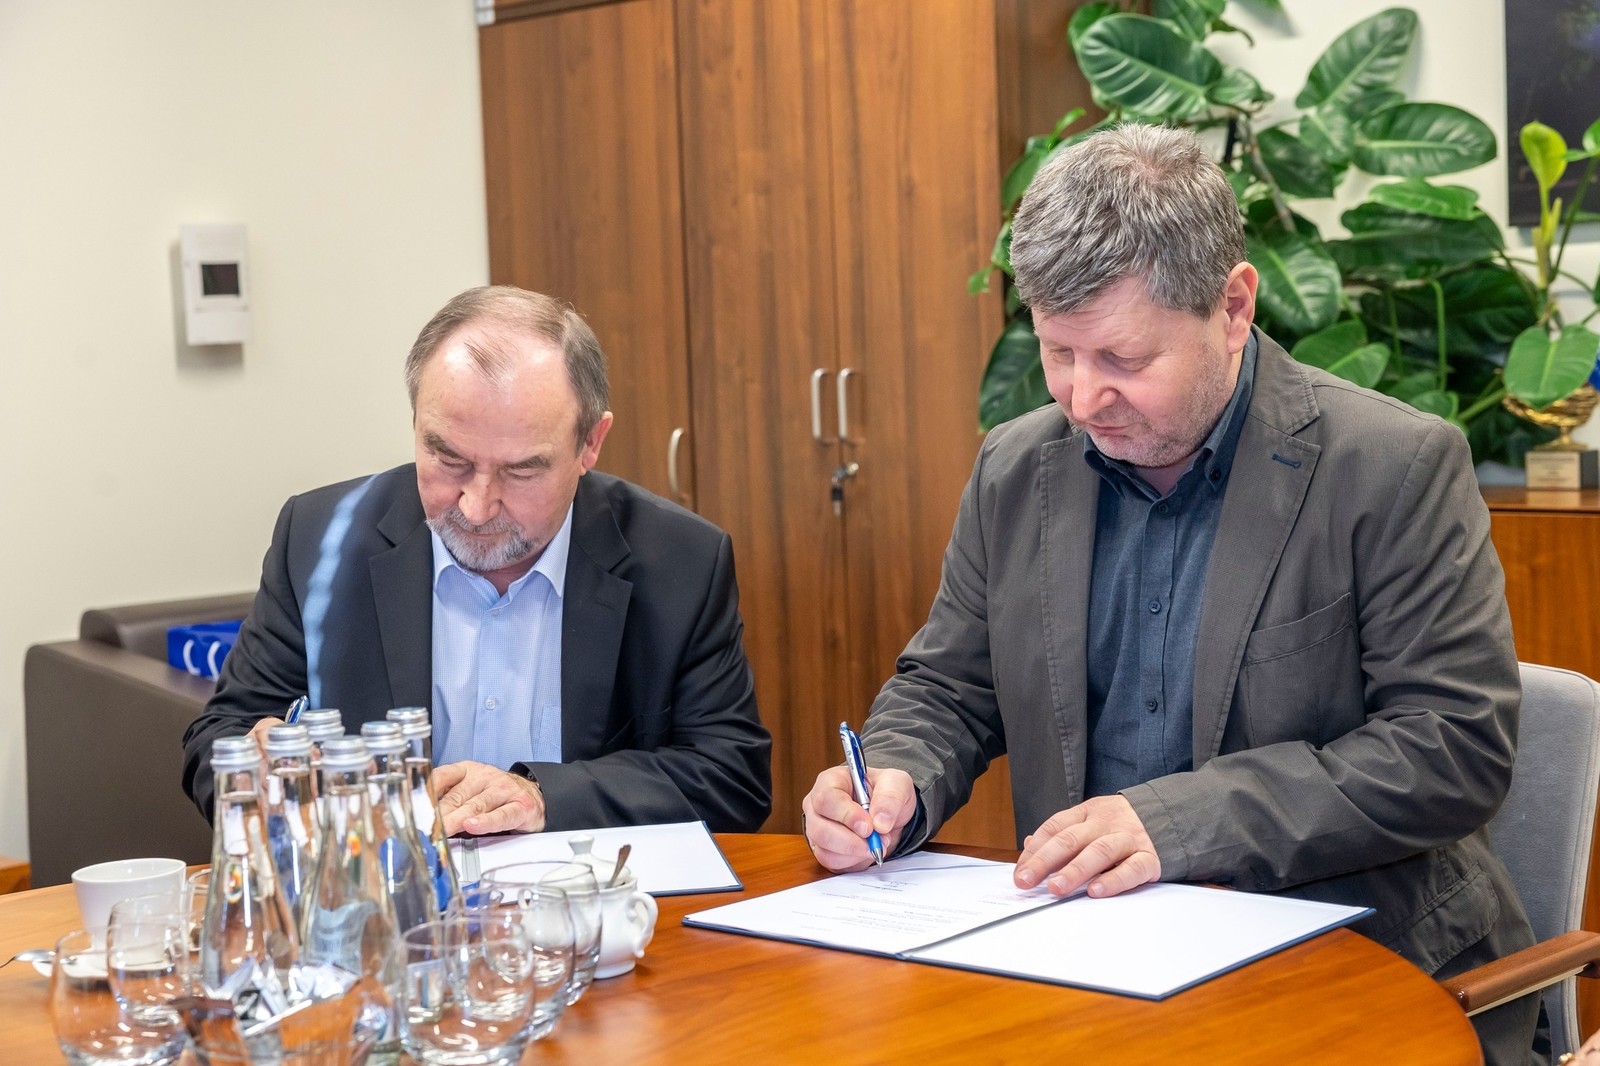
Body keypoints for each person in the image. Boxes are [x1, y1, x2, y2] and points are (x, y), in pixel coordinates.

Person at [801, 125, 1540, 1062]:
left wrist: (1181, 821)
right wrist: (896, 778)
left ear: (1233, 307)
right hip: (1093, 975)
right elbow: (951, 685)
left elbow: (1451, 748)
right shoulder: (1016, 468)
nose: (1082, 399)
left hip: (1350, 974)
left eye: (1123, 359)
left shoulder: (1391, 466)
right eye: (1058, 353)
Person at [183, 285, 772, 836]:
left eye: (521, 471)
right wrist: (255, 767)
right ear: (416, 423)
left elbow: (730, 778)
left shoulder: (679, 562)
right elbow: (218, 738)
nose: (477, 505)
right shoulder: (319, 538)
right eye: (449, 459)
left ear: (590, 442)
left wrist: (543, 796)